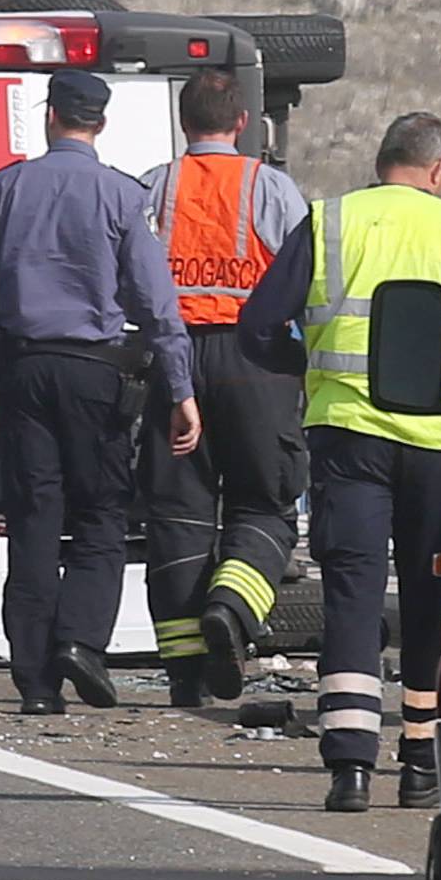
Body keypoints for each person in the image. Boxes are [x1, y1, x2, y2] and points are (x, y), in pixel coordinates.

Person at [239, 111, 441, 813]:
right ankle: (420, 759)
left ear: (382, 159)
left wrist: (305, 368)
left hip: (348, 438)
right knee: (431, 597)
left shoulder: (330, 220)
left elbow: (259, 322)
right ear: (438, 169)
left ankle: (350, 766)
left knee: (353, 594)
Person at [0, 68, 200, 716]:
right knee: (102, 512)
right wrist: (180, 385)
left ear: (49, 115)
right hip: (98, 372)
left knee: (35, 517)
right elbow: (154, 298)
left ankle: (35, 680)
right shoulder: (120, 195)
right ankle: (83, 642)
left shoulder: (4, 190)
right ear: (101, 124)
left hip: (22, 369)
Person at [138, 69, 308, 712]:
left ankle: (186, 676)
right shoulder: (270, 186)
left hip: (173, 363)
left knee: (176, 516)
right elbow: (303, 273)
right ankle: (232, 612)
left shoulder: (157, 184)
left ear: (184, 122)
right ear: (243, 124)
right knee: (265, 505)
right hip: (255, 360)